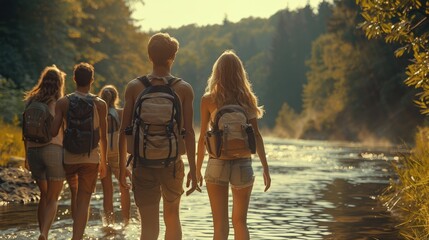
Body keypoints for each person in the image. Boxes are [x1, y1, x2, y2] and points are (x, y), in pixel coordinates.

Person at [118, 32, 199, 240]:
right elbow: (188, 132)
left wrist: (121, 168)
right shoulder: (183, 89)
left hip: (142, 163)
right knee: (172, 217)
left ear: (149, 56)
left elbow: (123, 129)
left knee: (149, 225)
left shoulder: (135, 87)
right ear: (172, 57)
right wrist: (194, 168)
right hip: (172, 164)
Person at [196, 50, 272, 240]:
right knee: (240, 222)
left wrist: (196, 169)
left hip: (216, 163)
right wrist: (265, 168)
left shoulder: (208, 99)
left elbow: (202, 137)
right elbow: (257, 135)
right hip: (243, 164)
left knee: (220, 227)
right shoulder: (248, 99)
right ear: (240, 72)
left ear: (217, 72)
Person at [51, 62, 107, 240]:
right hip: (91, 158)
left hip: (69, 157)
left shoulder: (63, 102)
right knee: (84, 200)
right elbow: (103, 137)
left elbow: (53, 132)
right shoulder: (100, 104)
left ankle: (74, 233)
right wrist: (104, 162)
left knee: (75, 194)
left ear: (74, 79)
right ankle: (77, 237)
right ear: (92, 80)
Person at [23, 65, 66, 240]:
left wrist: (26, 156)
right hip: (53, 150)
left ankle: (43, 232)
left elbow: (24, 130)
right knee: (54, 197)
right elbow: (65, 131)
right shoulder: (59, 103)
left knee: (44, 195)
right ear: (59, 84)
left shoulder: (31, 101)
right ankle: (44, 233)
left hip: (33, 152)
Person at [98, 85, 131, 226]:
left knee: (107, 192)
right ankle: (126, 222)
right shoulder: (121, 113)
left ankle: (109, 224)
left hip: (103, 155)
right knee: (124, 187)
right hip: (119, 155)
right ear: (116, 97)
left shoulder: (98, 113)